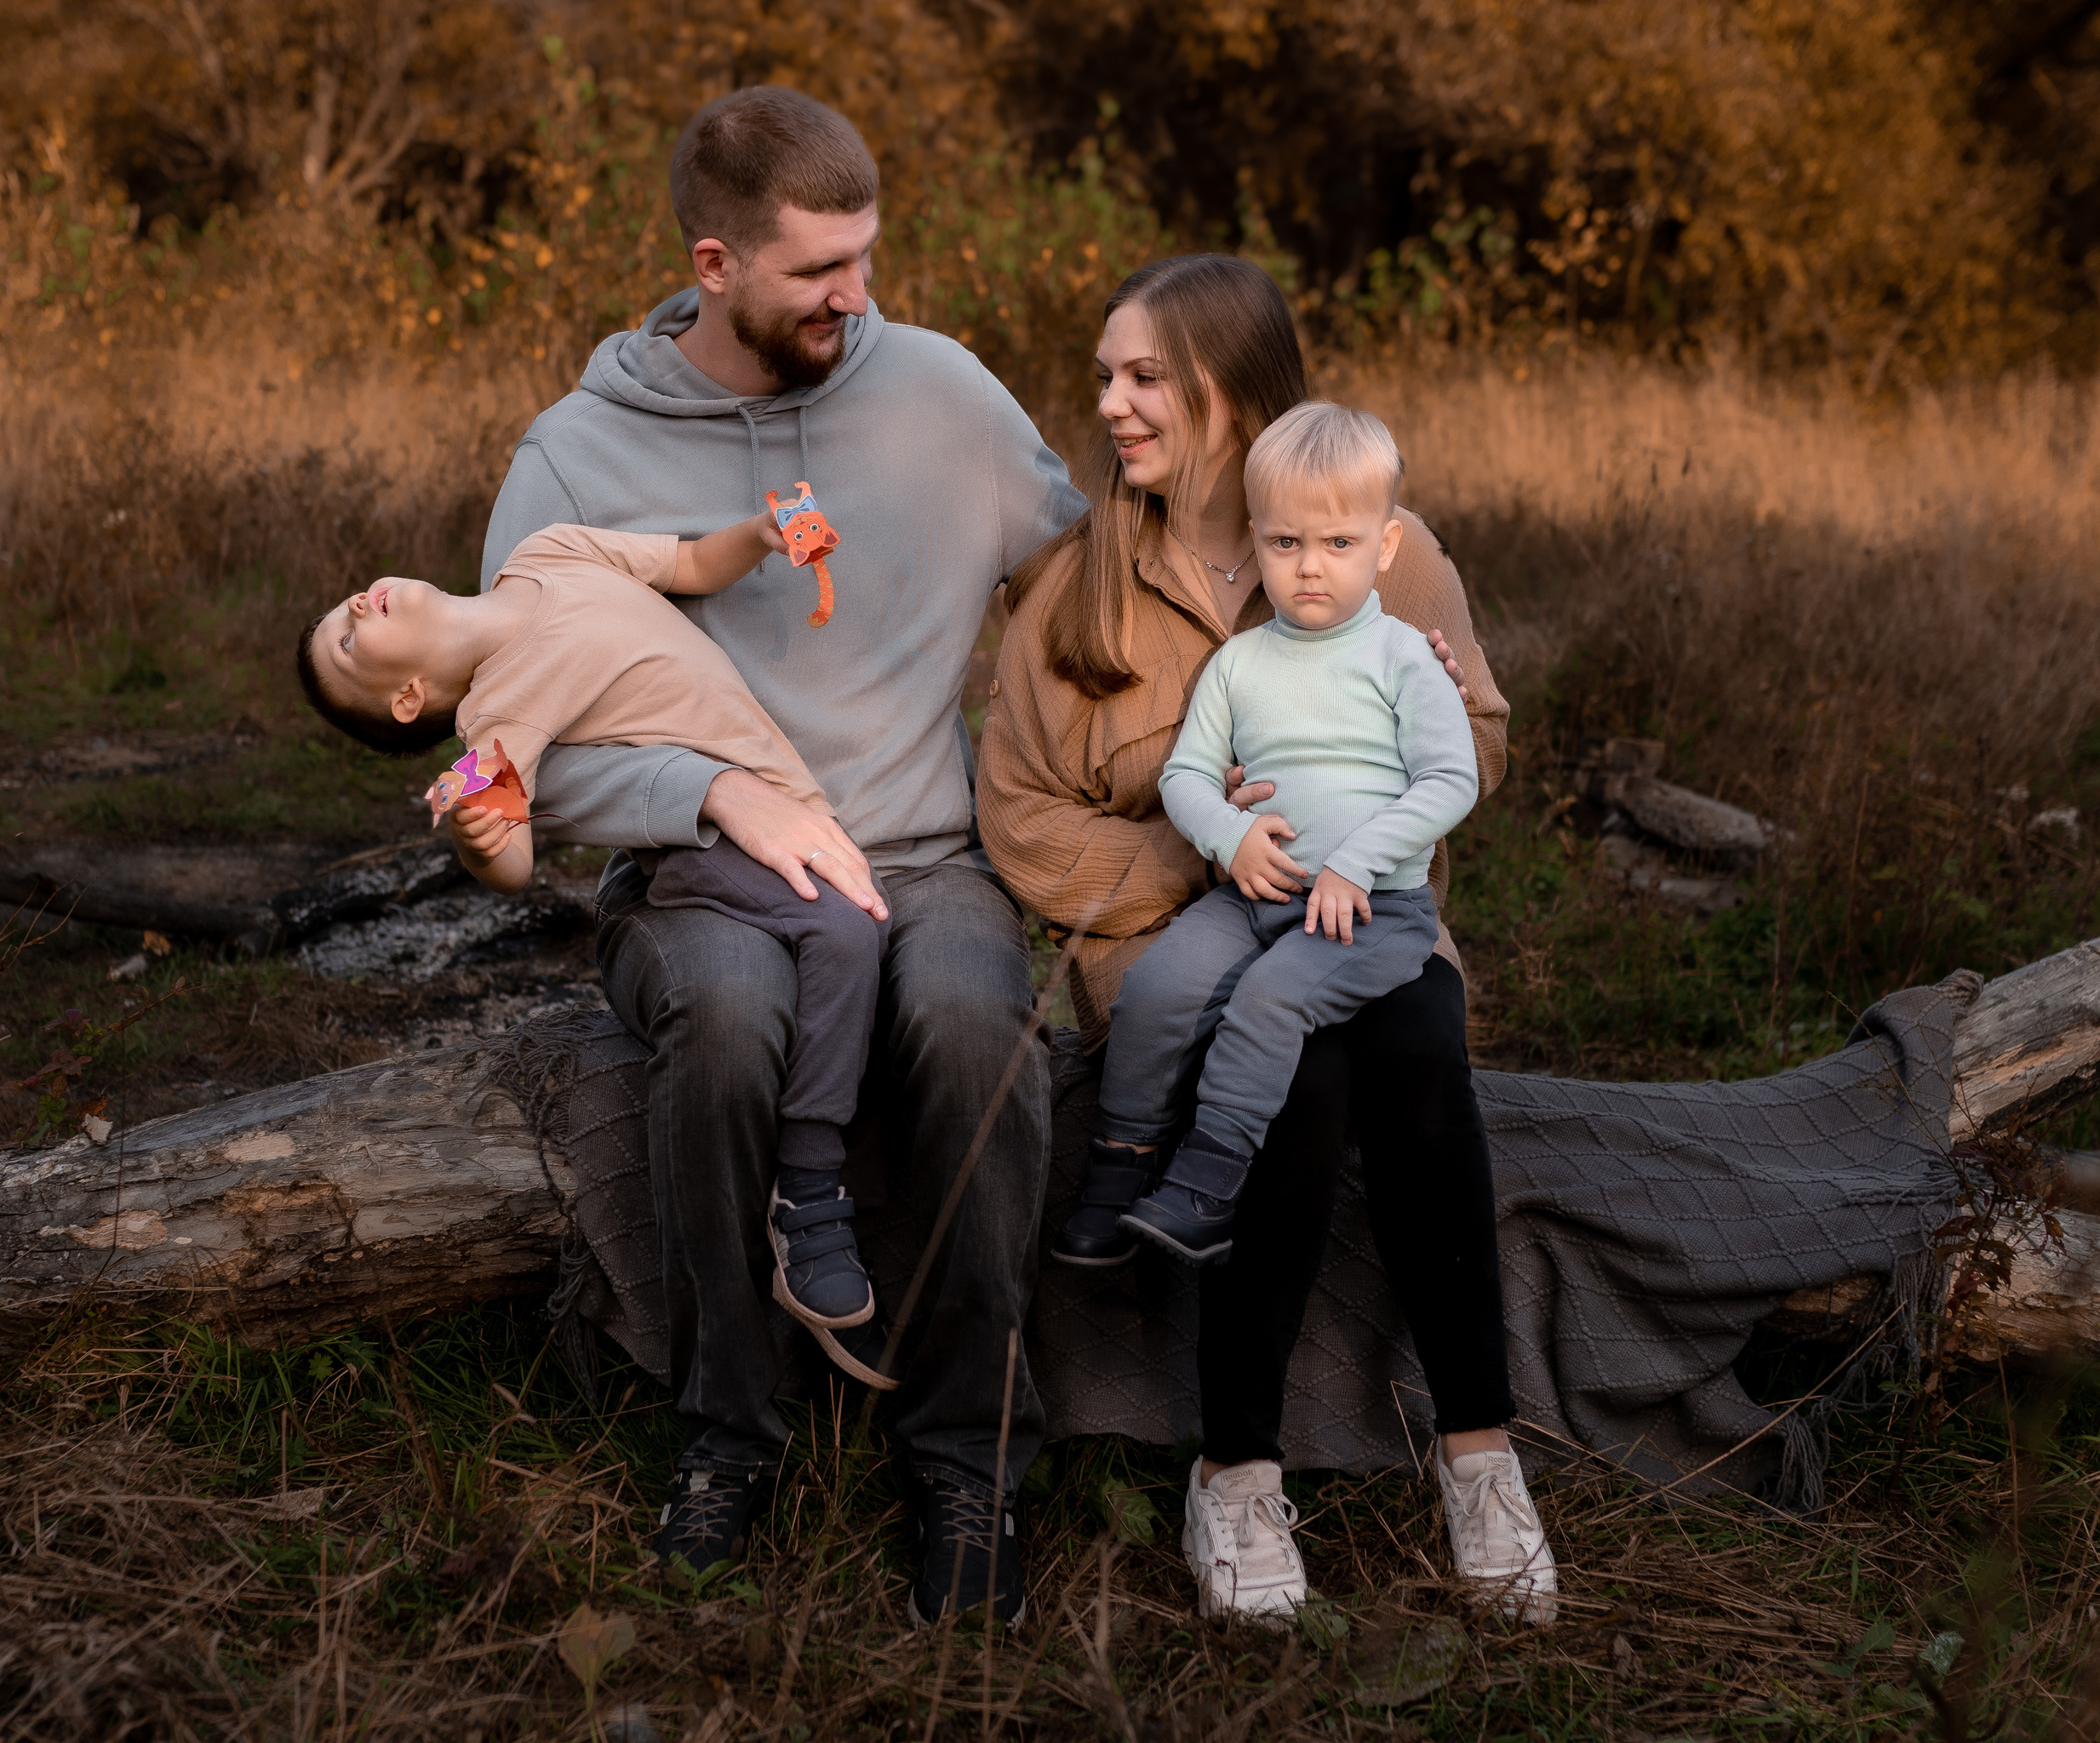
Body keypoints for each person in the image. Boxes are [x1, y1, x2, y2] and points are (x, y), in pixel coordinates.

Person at [478, 86, 1082, 1624]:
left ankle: (964, 1458)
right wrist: (717, 797)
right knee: (733, 1016)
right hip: (698, 877)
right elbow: (508, 744)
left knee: (968, 1020)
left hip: (924, 852)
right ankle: (724, 1437)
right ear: (716, 260)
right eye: (819, 270)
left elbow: (1086, 581)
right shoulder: (574, 456)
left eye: (867, 258)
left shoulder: (942, 391)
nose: (855, 298)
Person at [976, 254, 1557, 1627]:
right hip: (1179, 948)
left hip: (1360, 920)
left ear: (1226, 392)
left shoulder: (1383, 542)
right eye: (1105, 374)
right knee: (1292, 1069)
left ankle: (1482, 1451)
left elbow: (1478, 740)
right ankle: (1234, 1468)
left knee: (1419, 1035)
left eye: (1142, 377)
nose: (1109, 403)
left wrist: (1352, 820)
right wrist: (1213, 860)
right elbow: (1018, 819)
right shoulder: (1075, 589)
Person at [293, 517, 899, 1369]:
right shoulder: (495, 714)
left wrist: (760, 534)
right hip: (702, 841)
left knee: (860, 932)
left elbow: (687, 561)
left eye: (343, 607)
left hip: (776, 794)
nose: (357, 606)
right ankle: (806, 1191)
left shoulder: (545, 552)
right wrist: (475, 835)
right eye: (351, 639)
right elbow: (514, 859)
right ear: (408, 697)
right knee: (845, 926)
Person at [1097, 401, 1480, 1266]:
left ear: (1383, 546)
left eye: (1338, 544)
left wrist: (1354, 862)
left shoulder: (1403, 656)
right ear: (1257, 540)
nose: (1309, 568)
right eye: (1284, 544)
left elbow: (1451, 776)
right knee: (1157, 985)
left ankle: (1208, 1181)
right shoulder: (1239, 662)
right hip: (1254, 893)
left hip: (1372, 908)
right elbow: (1186, 775)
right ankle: (1117, 1160)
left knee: (1270, 998)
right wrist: (1229, 837)